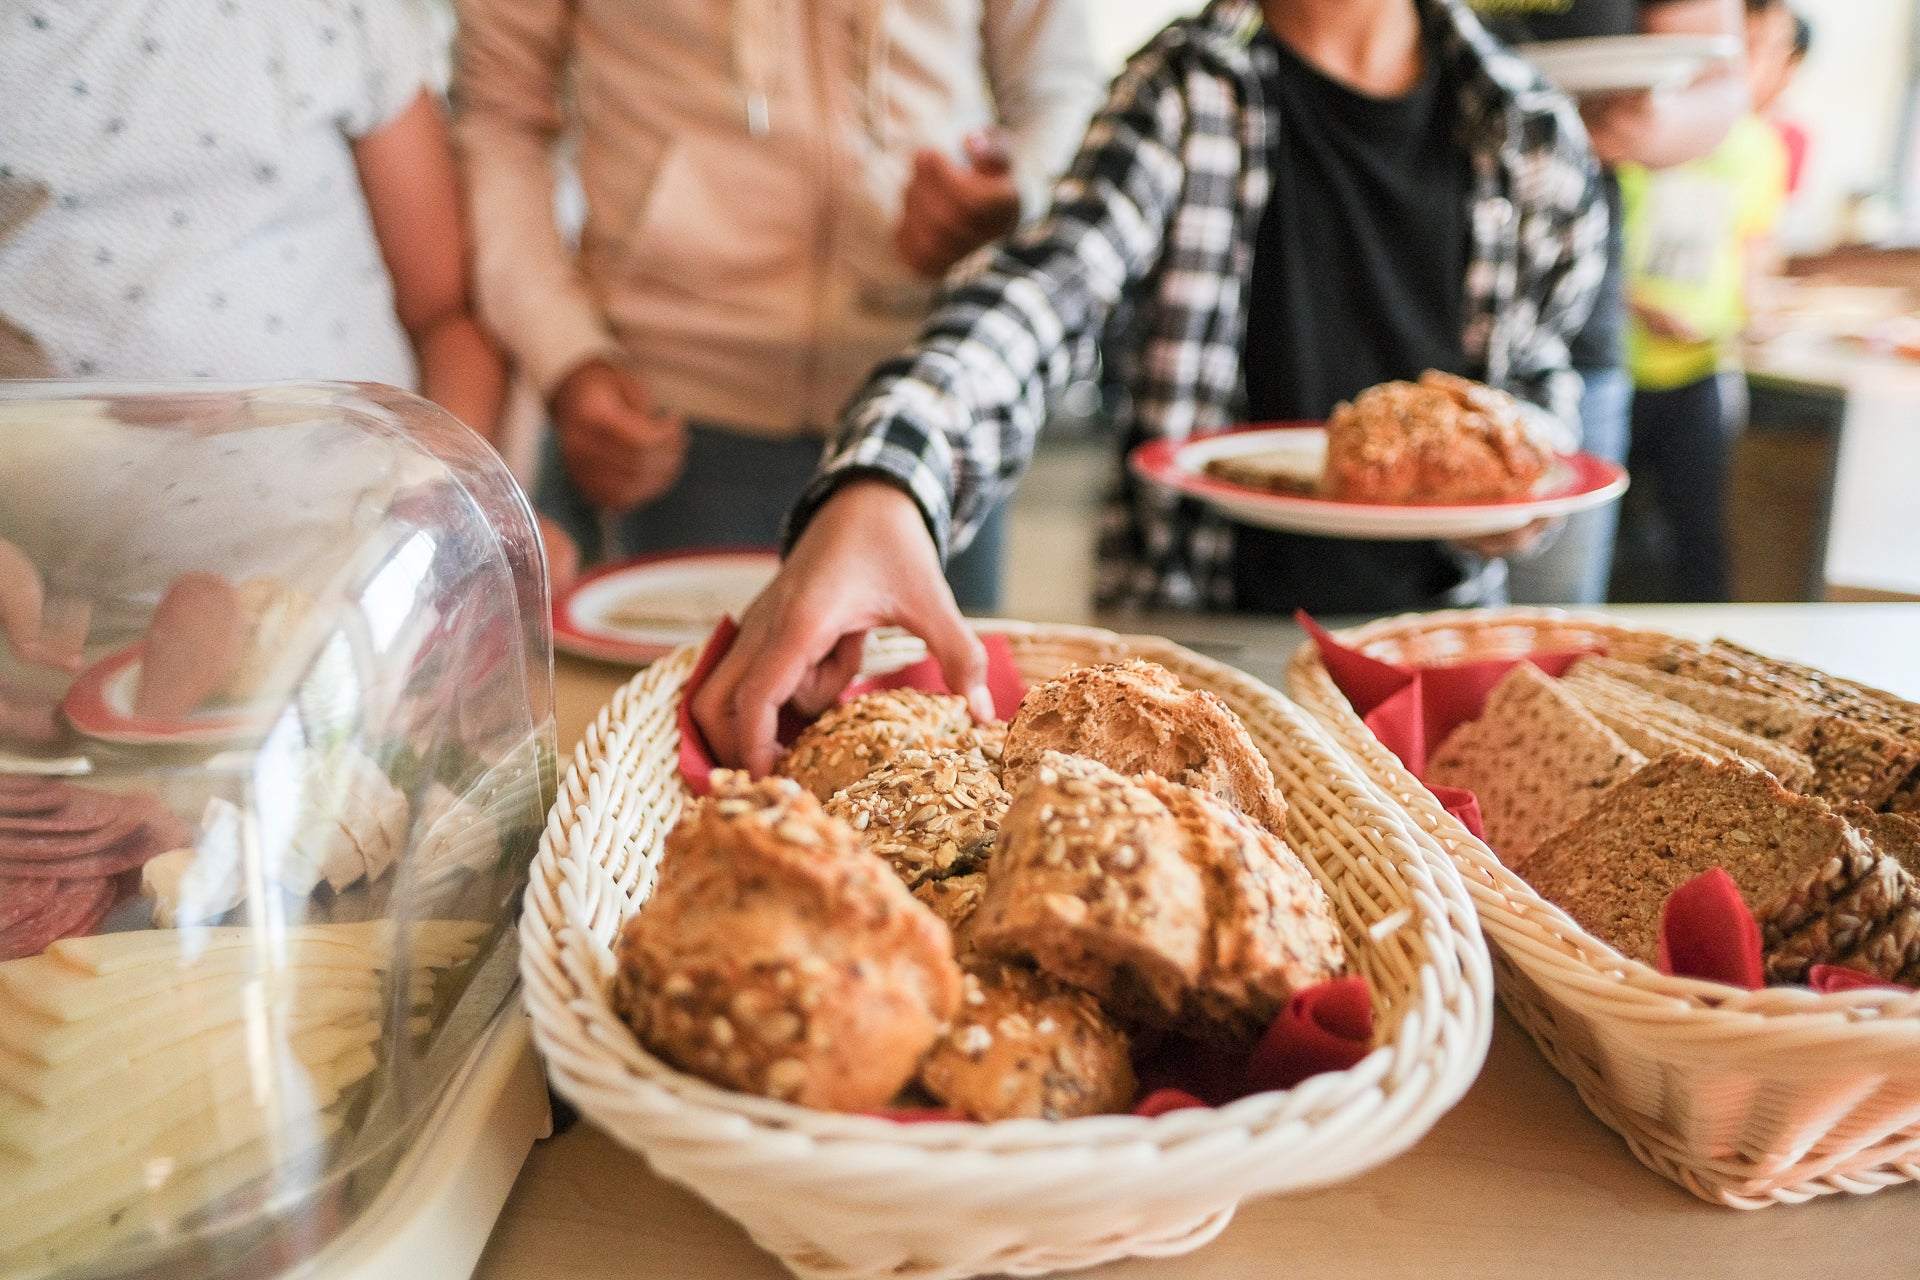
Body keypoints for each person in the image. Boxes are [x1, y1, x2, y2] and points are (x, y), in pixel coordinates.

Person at [693, 0, 1608, 775]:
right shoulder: (1182, 92)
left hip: (1428, 664)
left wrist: (1522, 486)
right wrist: (887, 479)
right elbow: (1037, 299)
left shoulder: (1528, 127)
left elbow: (1536, 377)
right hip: (1191, 681)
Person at [453, 0, 1104, 609]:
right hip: (675, 414)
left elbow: (1062, 87)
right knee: (684, 695)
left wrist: (1022, 193)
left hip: (939, 396)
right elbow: (500, 115)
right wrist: (566, 354)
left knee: (945, 693)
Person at [0, 2, 505, 450]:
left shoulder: (336, 16)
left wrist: (442, 484)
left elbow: (445, 319)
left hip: (373, 496)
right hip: (61, 511)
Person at [1482, 0, 1749, 607]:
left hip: (1564, 336)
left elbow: (1720, 85)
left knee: (1542, 625)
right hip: (1362, 295)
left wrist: (1640, 128)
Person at [1610, 0, 1797, 602]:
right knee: (1609, 542)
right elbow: (1592, 251)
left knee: (1700, 541)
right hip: (1618, 368)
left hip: (1701, 370)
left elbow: (1752, 258)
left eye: (1771, 49)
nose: (1755, 61)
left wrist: (1760, 317)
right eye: (1747, 42)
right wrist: (1642, 307)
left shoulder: (1762, 149)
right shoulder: (1641, 125)